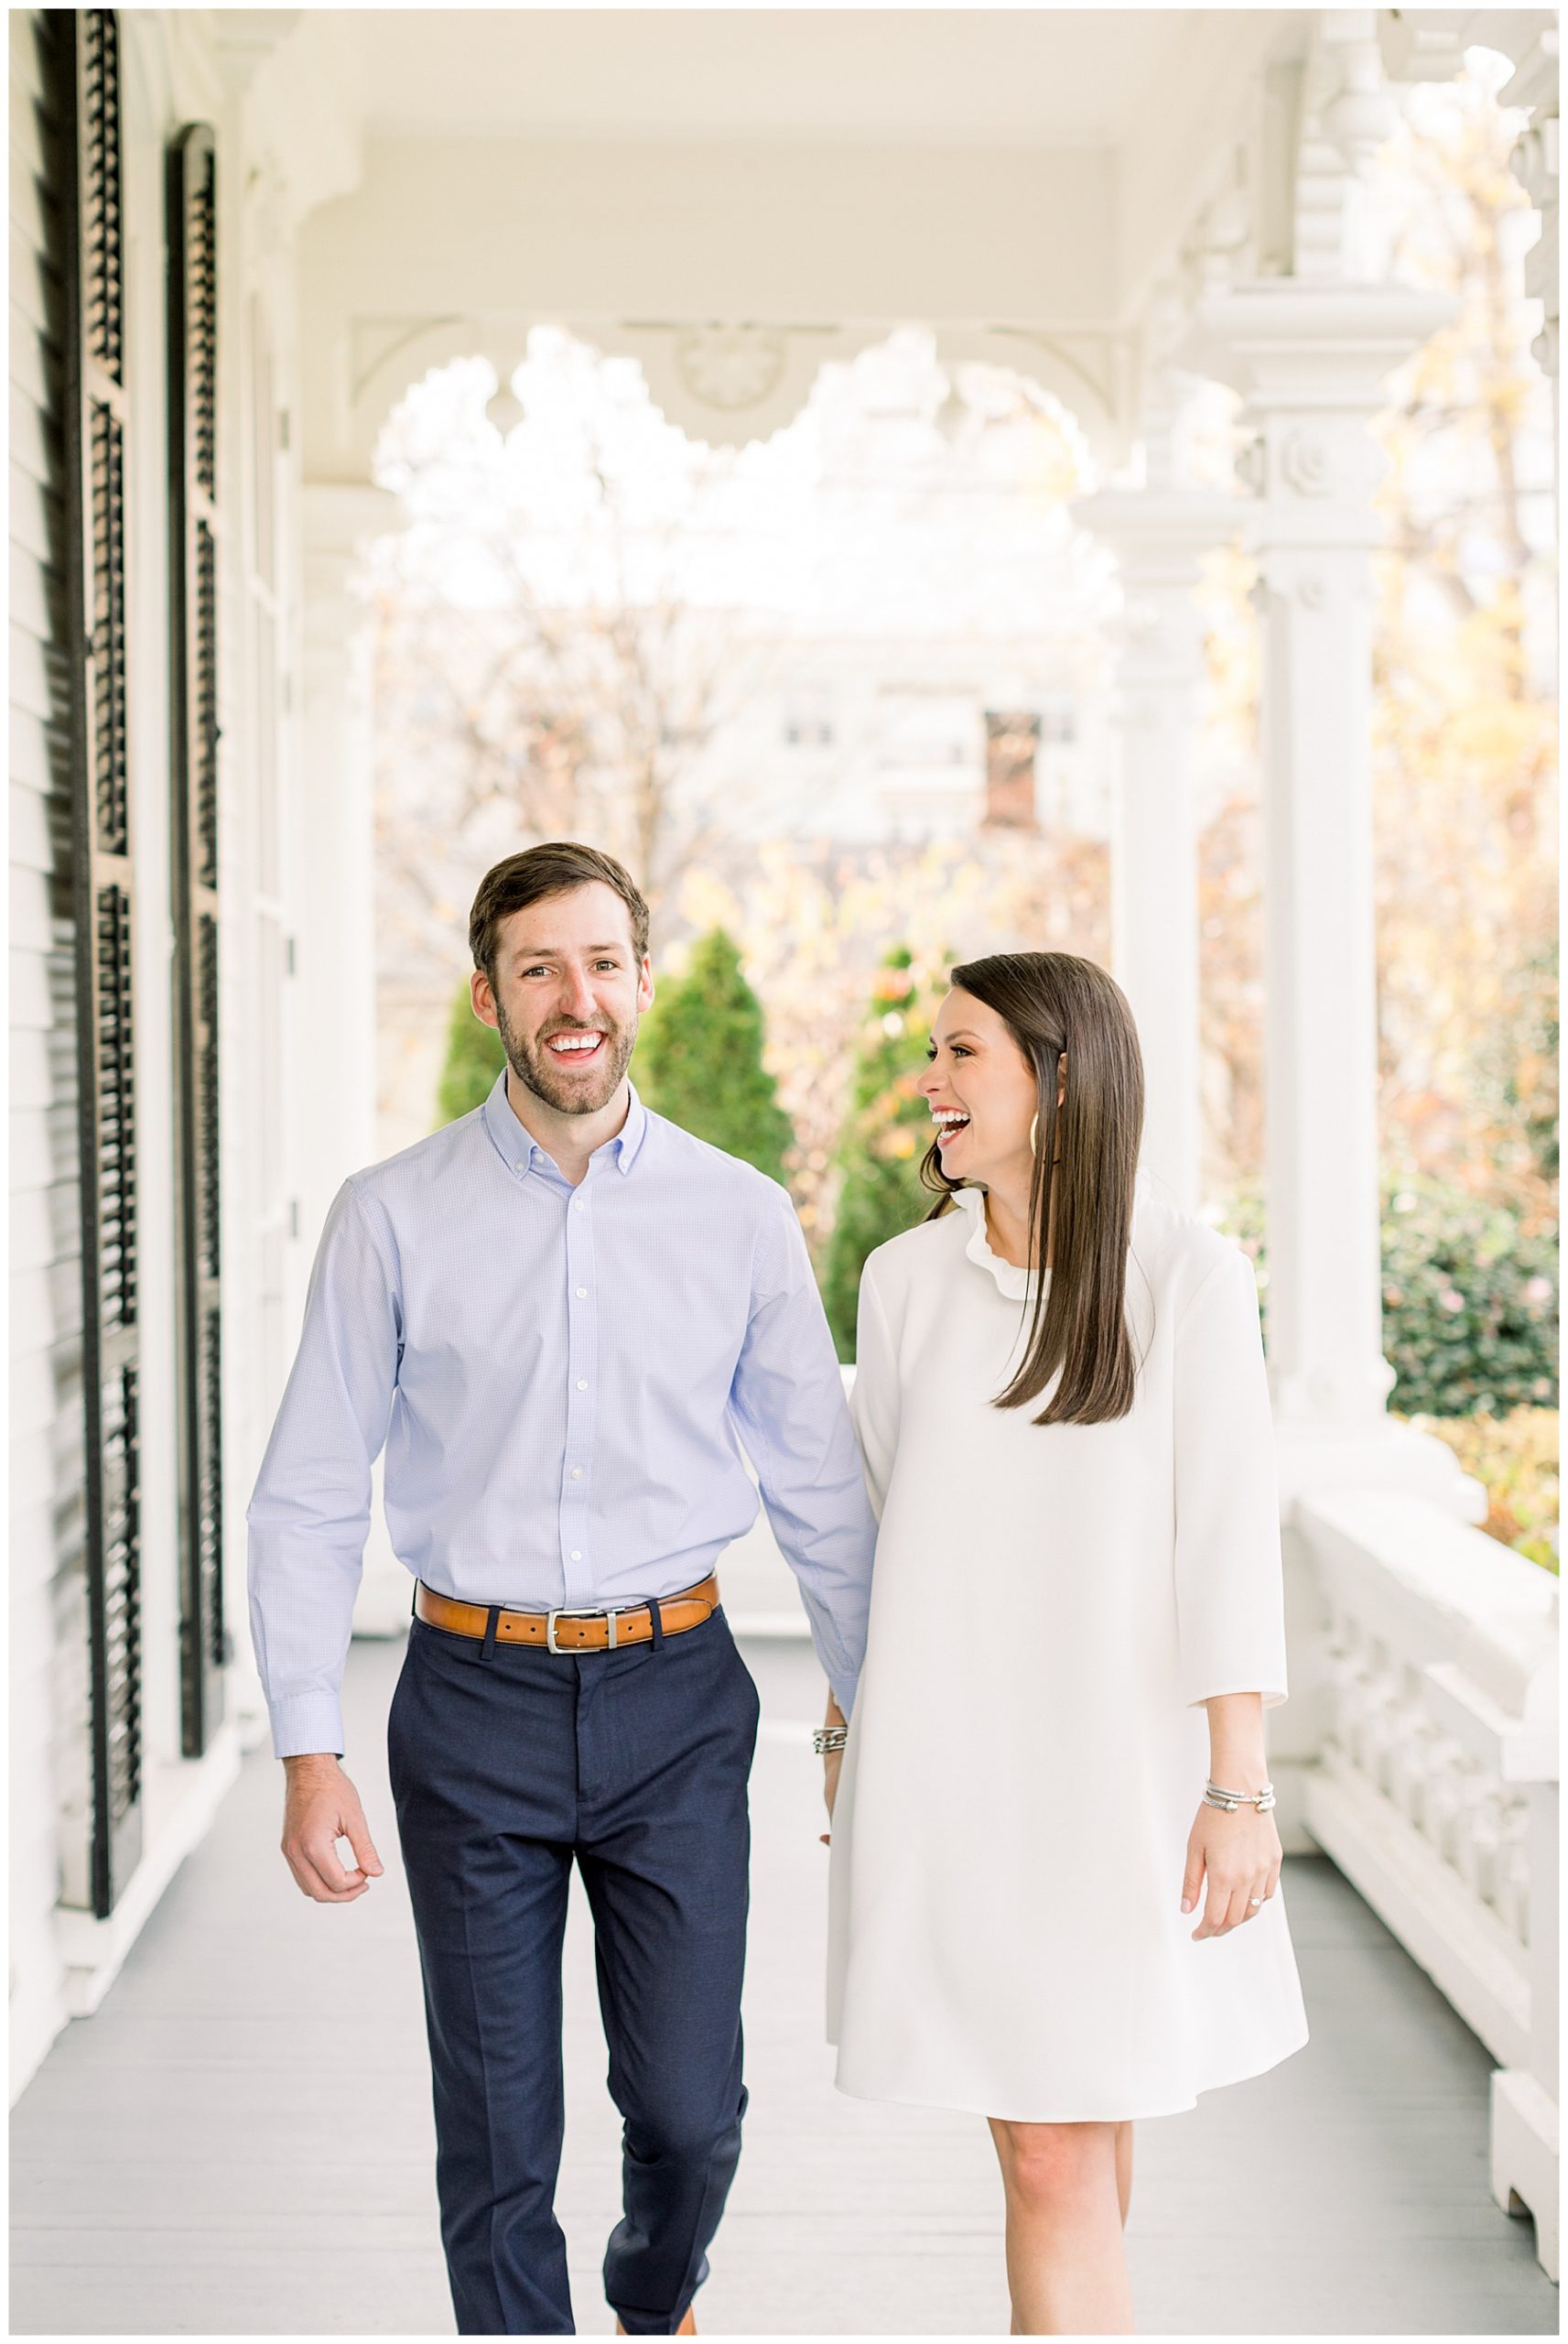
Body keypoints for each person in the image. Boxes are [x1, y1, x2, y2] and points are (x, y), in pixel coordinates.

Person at [246, 841, 876, 2338]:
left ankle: (655, 2301)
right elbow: (310, 1490)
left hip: (676, 1698)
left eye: (601, 962)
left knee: (690, 2114)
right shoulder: (391, 1215)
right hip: (470, 1706)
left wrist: (869, 1713)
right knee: (496, 2135)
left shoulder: (738, 1214)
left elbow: (821, 1490)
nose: (574, 997)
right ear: (490, 998)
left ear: (641, 982)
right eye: (538, 968)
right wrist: (307, 1750)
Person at [818, 950, 1310, 2337]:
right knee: (1060, 2141)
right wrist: (843, 1732)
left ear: (1059, 1075)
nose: (929, 1078)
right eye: (934, 1051)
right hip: (945, 1778)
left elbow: (1224, 1541)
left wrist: (1237, 1786)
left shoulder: (1185, 1275)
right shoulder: (903, 1281)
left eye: (961, 1052)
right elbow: (870, 1529)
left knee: (1055, 2147)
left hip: (1115, 1790)